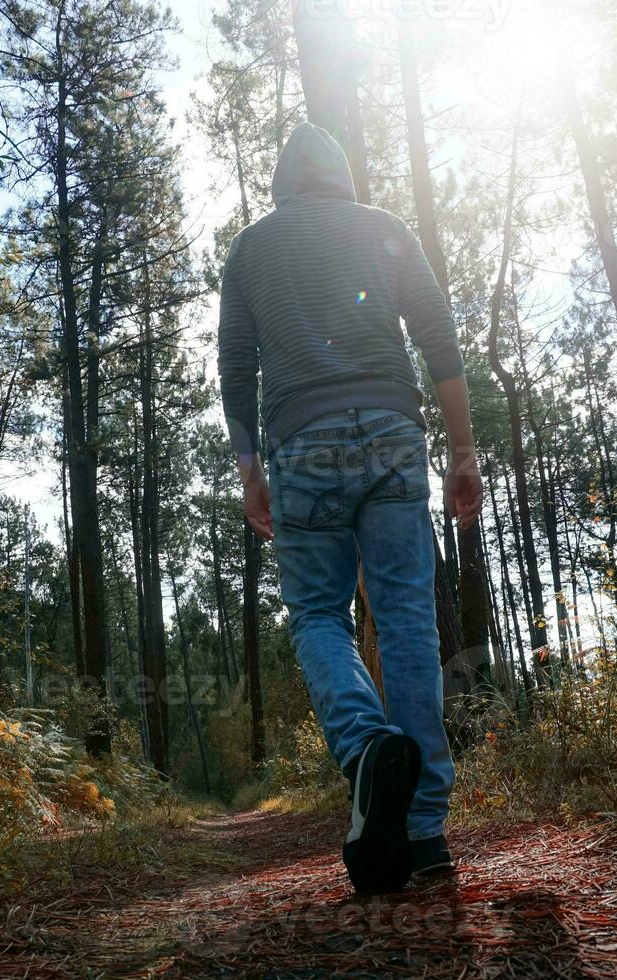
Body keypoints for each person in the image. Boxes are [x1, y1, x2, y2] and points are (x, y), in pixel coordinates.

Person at [218, 122, 482, 893]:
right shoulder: (384, 229)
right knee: (406, 618)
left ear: (281, 183)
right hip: (393, 432)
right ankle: (427, 833)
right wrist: (463, 452)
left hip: (299, 442)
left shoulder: (251, 249)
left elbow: (235, 363)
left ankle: (367, 749)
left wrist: (248, 469)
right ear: (341, 175)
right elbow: (439, 337)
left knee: (318, 617)